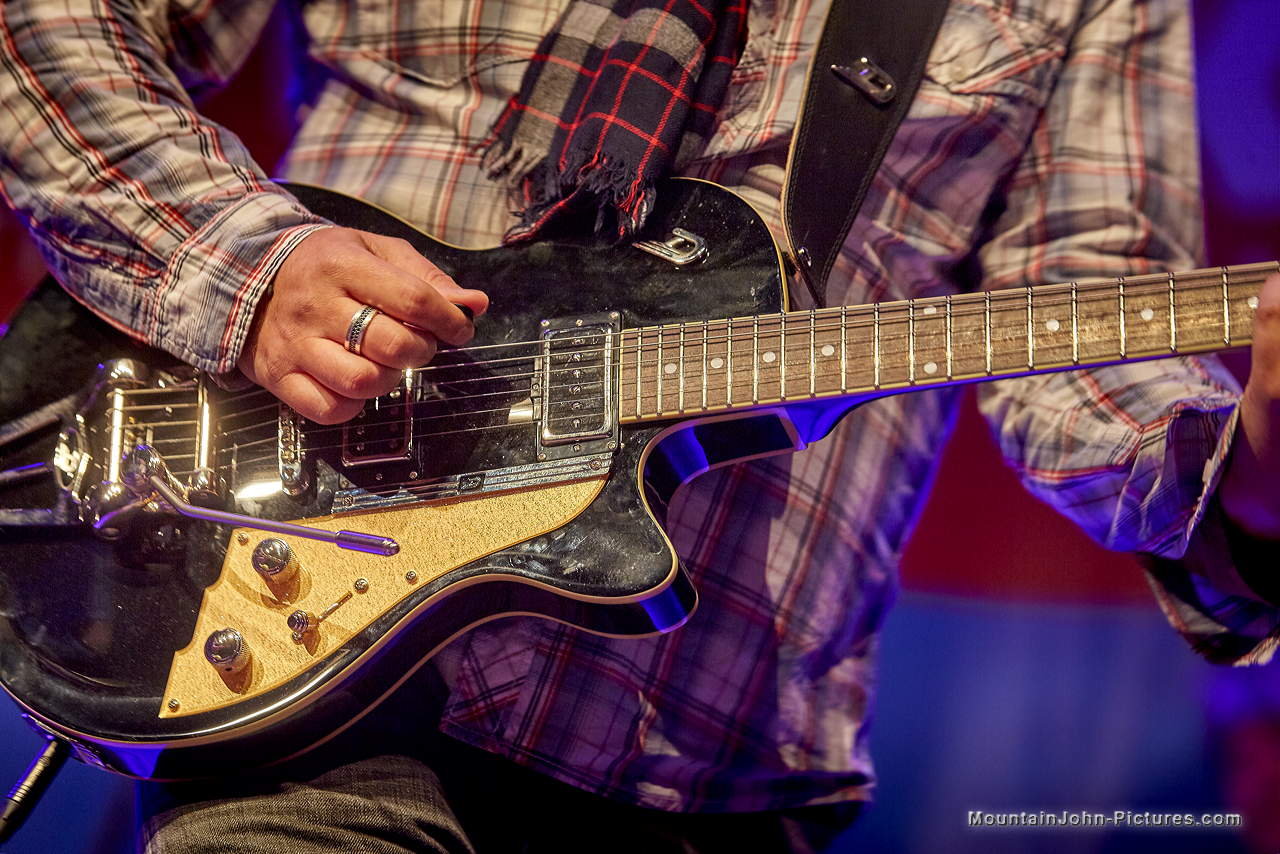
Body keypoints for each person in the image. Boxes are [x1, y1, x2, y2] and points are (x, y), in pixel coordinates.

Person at [2, 0, 1279, 851]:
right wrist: (246, 264)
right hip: (304, 674)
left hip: (703, 775)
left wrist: (1257, 472)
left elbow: (1087, 326)